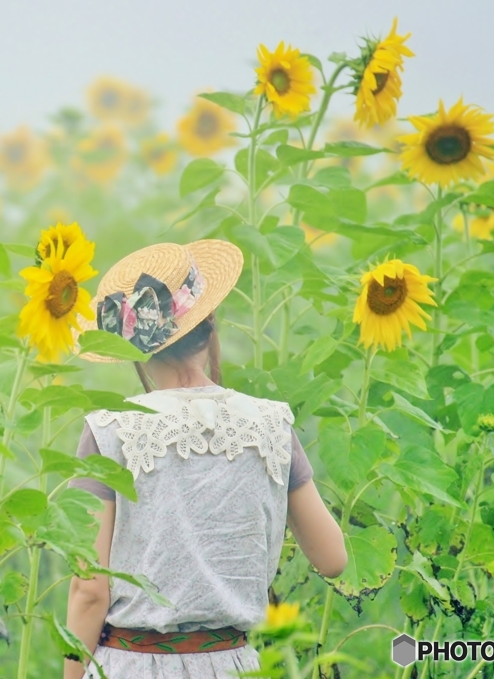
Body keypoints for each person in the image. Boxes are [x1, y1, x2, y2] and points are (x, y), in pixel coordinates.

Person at [63, 240, 347, 679]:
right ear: (209, 324)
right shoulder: (270, 424)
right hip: (236, 664)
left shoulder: (111, 431)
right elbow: (332, 559)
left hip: (132, 665)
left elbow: (88, 591)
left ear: (132, 347)